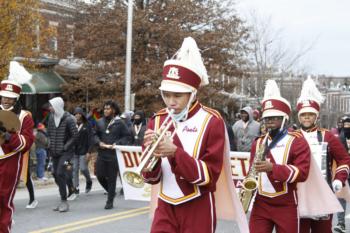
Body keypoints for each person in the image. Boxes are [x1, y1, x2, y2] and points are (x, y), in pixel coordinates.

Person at [141, 37, 248, 233]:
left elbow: (208, 176)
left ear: (192, 94)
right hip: (165, 204)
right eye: (166, 94)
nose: (170, 102)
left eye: (177, 95)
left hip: (197, 204)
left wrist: (175, 153)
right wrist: (151, 156)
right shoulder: (157, 119)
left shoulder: (212, 121)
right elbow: (150, 178)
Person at [248, 79, 311, 233]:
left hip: (286, 204)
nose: (269, 122)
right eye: (267, 118)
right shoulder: (258, 142)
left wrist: (273, 168)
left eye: (274, 118)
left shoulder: (297, 141)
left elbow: (302, 173)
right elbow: (251, 171)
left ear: (284, 119)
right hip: (260, 203)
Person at [295, 77, 350, 233]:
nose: (306, 117)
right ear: (299, 116)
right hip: (298, 193)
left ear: (316, 116)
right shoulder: (291, 136)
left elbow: (344, 159)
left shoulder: (327, 136)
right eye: (303, 114)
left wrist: (339, 178)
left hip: (322, 192)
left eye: (310, 114)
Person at [0, 79, 34, 232]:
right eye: (3, 96)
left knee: (3, 201)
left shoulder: (24, 116)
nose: (6, 100)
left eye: (9, 97)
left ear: (16, 98)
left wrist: (7, 135)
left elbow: (26, 143)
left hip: (9, 163)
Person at [94, 100, 132, 209]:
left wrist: (117, 144)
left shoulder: (120, 122)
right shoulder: (99, 122)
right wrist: (98, 142)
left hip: (114, 155)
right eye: (105, 108)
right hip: (102, 153)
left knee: (111, 178)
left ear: (113, 110)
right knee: (99, 175)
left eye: (108, 109)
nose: (105, 110)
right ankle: (111, 192)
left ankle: (109, 201)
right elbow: (94, 135)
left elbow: (127, 136)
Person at [47, 97, 78, 212]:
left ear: (57, 106)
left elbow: (75, 136)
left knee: (60, 172)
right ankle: (67, 192)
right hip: (54, 152)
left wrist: (65, 147)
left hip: (67, 153)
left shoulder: (69, 119)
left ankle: (64, 201)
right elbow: (49, 133)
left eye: (51, 106)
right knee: (55, 174)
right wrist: (49, 144)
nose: (50, 108)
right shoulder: (51, 118)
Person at [68, 107, 94, 201]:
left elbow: (91, 139)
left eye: (79, 114)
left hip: (84, 151)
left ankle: (89, 181)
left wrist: (89, 152)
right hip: (74, 151)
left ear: (82, 114)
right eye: (75, 114)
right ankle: (76, 188)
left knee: (83, 168)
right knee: (74, 169)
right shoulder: (72, 124)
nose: (77, 115)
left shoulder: (87, 124)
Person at [335, 116, 350, 233]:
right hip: (345, 171)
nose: (346, 127)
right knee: (341, 196)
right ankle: (341, 223)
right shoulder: (340, 138)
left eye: (348, 124)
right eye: (345, 125)